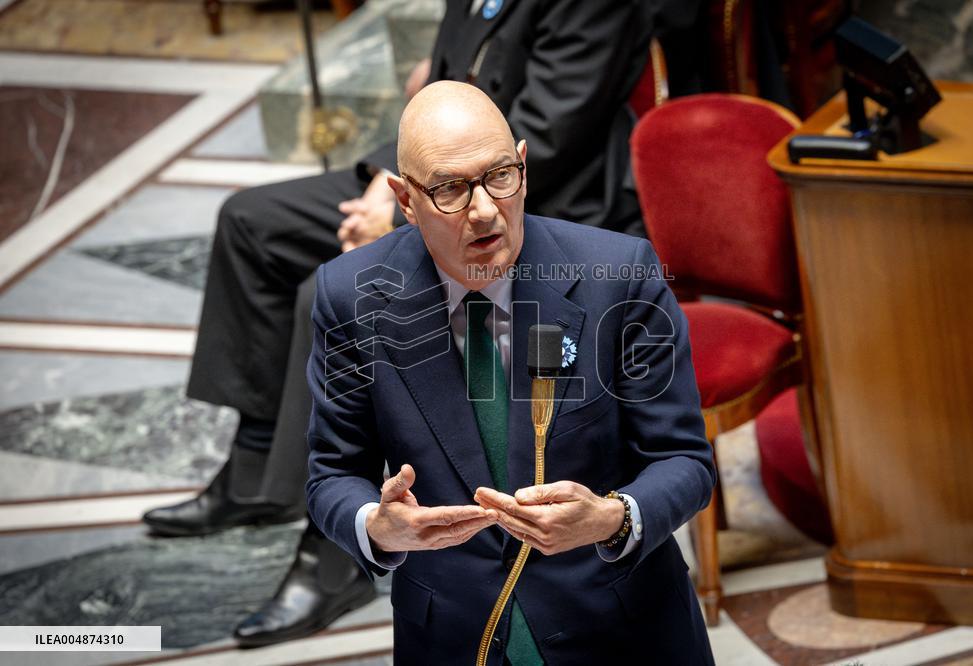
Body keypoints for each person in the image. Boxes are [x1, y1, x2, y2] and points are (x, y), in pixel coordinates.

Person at [142, 0, 652, 648]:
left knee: (332, 294)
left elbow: (549, 133)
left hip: (537, 195)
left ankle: (330, 560)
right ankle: (252, 470)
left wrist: (402, 217)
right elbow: (441, 94)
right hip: (432, 189)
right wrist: (387, 184)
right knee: (251, 223)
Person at [306, 81, 716, 664]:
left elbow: (685, 460)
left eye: (500, 176)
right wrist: (377, 525)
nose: (483, 210)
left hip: (618, 627)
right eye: (450, 189)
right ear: (405, 199)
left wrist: (610, 518)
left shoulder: (619, 275)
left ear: (523, 166)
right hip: (453, 635)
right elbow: (331, 474)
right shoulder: (351, 297)